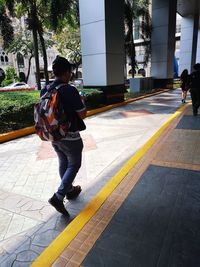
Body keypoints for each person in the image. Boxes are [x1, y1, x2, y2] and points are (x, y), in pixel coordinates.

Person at [41, 56, 87, 216]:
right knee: (74, 164)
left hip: (53, 135)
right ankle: (59, 196)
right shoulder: (69, 89)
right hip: (70, 136)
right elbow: (82, 114)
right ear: (67, 72)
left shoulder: (45, 89)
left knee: (63, 161)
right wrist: (81, 100)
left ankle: (69, 190)